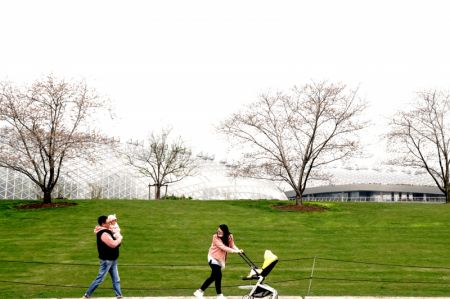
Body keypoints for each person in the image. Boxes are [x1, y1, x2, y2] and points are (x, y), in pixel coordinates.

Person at [194, 224, 243, 299]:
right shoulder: (215, 237)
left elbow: (232, 245)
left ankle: (201, 292)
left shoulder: (230, 236)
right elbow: (223, 247)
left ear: (224, 231)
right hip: (213, 257)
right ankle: (217, 295)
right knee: (218, 275)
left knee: (215, 276)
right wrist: (235, 252)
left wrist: (238, 250)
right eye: (218, 230)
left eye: (220, 231)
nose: (218, 232)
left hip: (220, 259)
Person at [82, 215, 124, 299]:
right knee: (100, 279)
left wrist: (117, 241)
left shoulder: (108, 231)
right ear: (103, 224)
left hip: (112, 259)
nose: (110, 223)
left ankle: (119, 296)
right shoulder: (104, 233)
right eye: (108, 222)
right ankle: (86, 295)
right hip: (106, 260)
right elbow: (113, 244)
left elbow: (117, 244)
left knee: (116, 279)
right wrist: (120, 238)